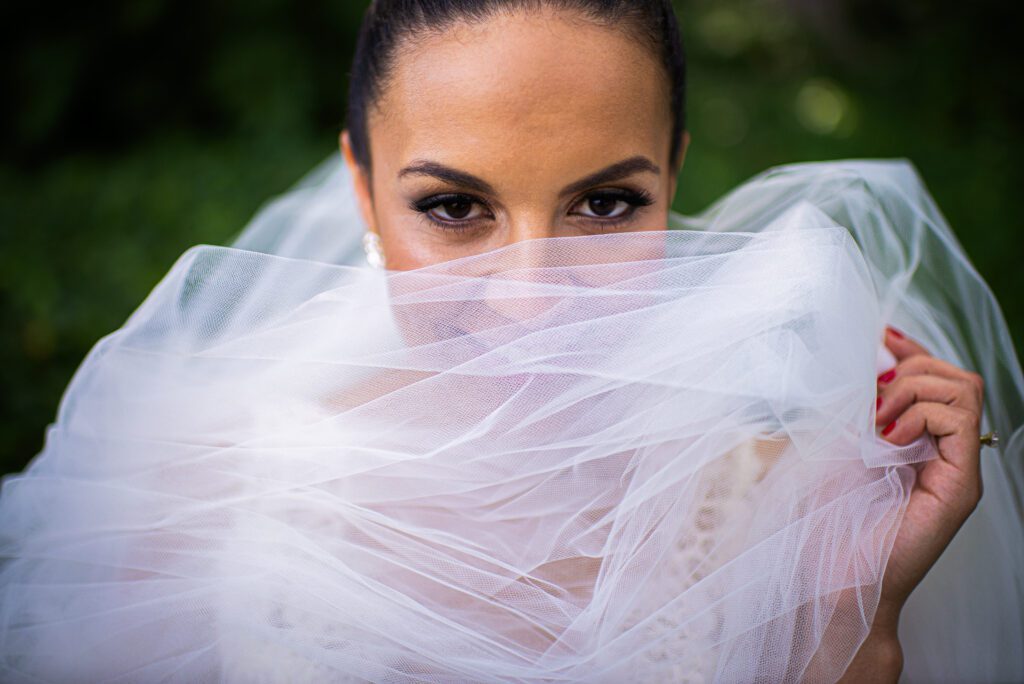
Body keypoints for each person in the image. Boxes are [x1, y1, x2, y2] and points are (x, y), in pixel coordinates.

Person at [1, 1, 1021, 682]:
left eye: (608, 203)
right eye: (452, 208)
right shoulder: (195, 503)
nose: (530, 302)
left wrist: (853, 621)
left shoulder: (793, 516)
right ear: (361, 187)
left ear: (673, 177)